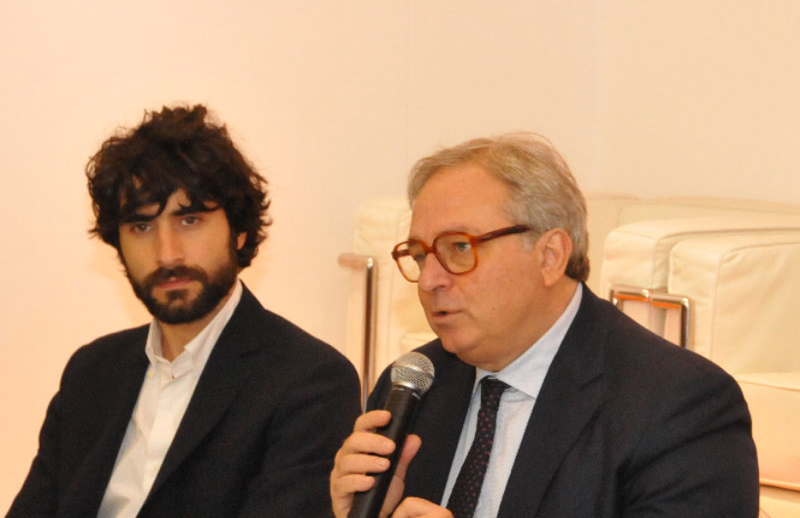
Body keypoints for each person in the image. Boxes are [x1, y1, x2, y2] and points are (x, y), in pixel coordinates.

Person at [330, 132, 759, 518]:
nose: (429, 281)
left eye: (459, 247)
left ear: (549, 256)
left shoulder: (678, 405)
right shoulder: (415, 387)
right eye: (421, 255)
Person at [9, 105, 361, 517]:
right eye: (141, 227)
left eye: (190, 220)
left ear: (239, 230)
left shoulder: (310, 382)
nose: (167, 254)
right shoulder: (92, 371)